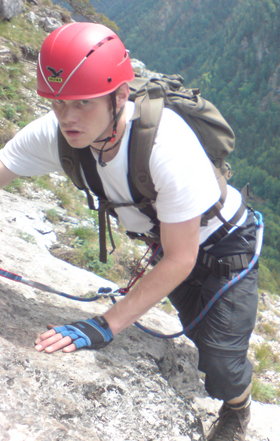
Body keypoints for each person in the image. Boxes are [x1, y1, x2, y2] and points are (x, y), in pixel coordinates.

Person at [0, 22, 258, 441]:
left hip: (224, 246)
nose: (67, 118)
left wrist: (105, 325)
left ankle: (237, 408)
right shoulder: (61, 135)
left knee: (222, 360)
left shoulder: (166, 146)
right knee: (196, 329)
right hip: (168, 242)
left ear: (120, 96)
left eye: (82, 103)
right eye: (58, 103)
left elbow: (181, 258)